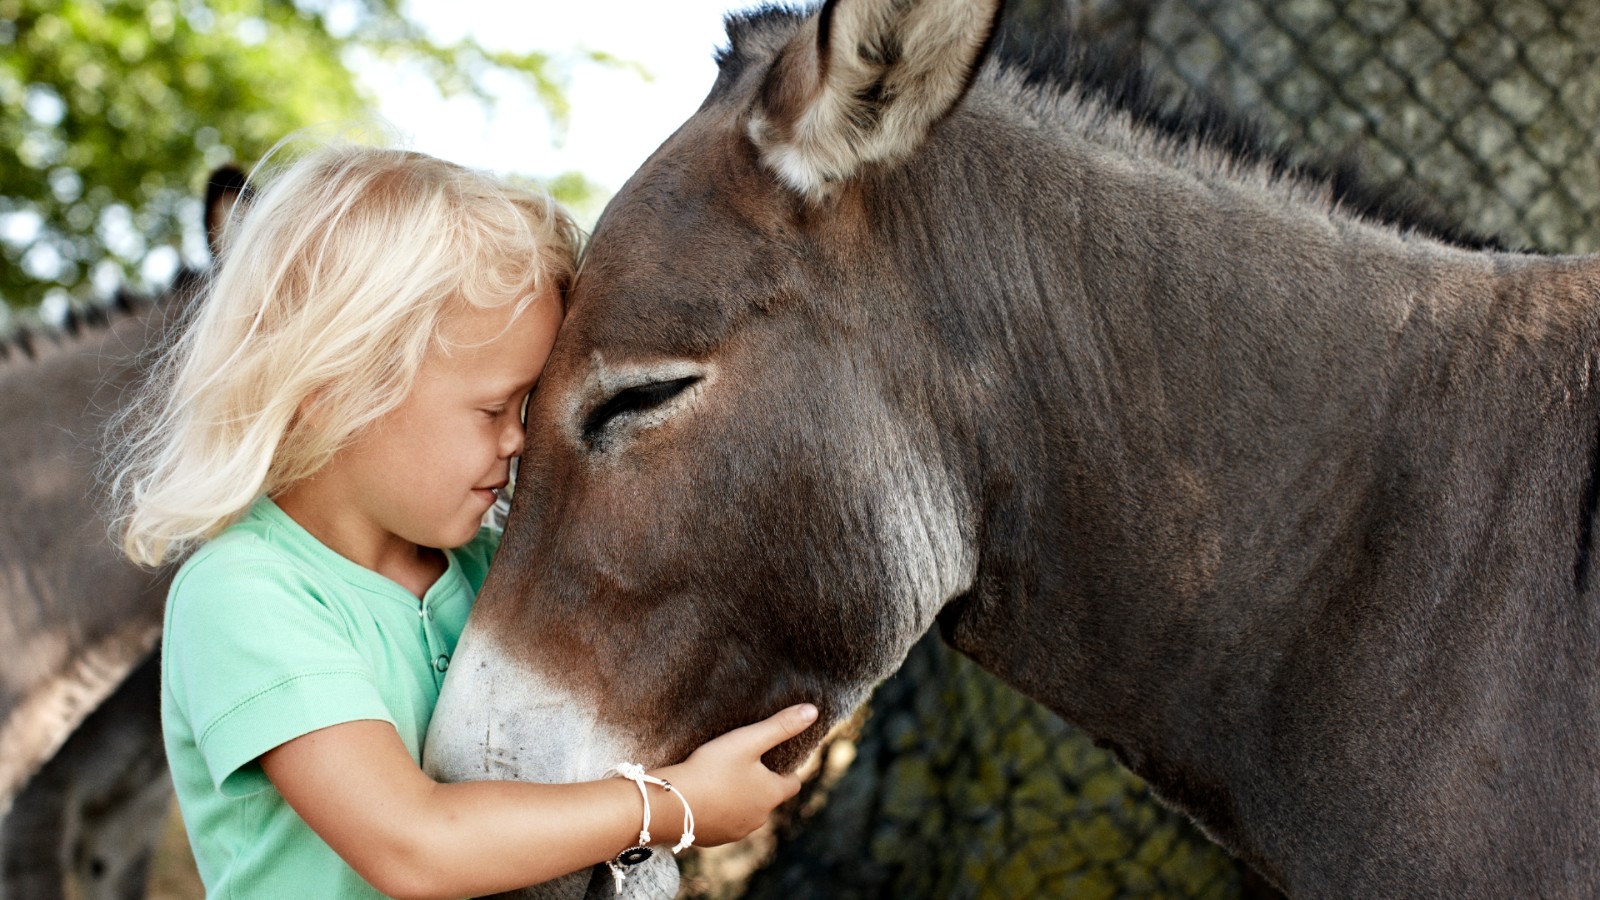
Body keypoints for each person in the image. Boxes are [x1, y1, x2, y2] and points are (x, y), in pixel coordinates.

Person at [106, 144, 817, 899]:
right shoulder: (247, 594)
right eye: (492, 409)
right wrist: (669, 806)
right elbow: (414, 846)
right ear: (332, 386)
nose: (520, 439)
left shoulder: (489, 568)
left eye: (527, 407)